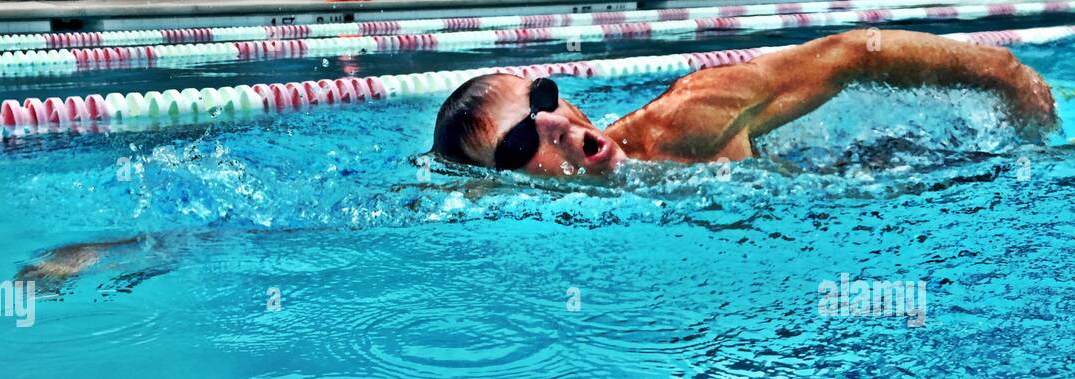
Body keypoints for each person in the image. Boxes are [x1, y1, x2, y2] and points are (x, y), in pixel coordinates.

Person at [431, 29, 1057, 176]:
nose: (559, 125)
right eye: (520, 143)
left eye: (546, 98)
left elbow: (852, 53)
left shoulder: (685, 121)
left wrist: (1004, 73)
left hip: (926, 171)